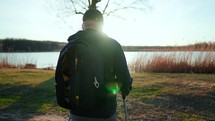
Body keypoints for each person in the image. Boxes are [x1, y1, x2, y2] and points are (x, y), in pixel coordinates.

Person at [65, 9, 133, 121]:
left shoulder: (71, 46)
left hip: (76, 112)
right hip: (104, 113)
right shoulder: (112, 45)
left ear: (83, 25)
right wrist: (125, 89)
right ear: (102, 25)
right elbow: (124, 80)